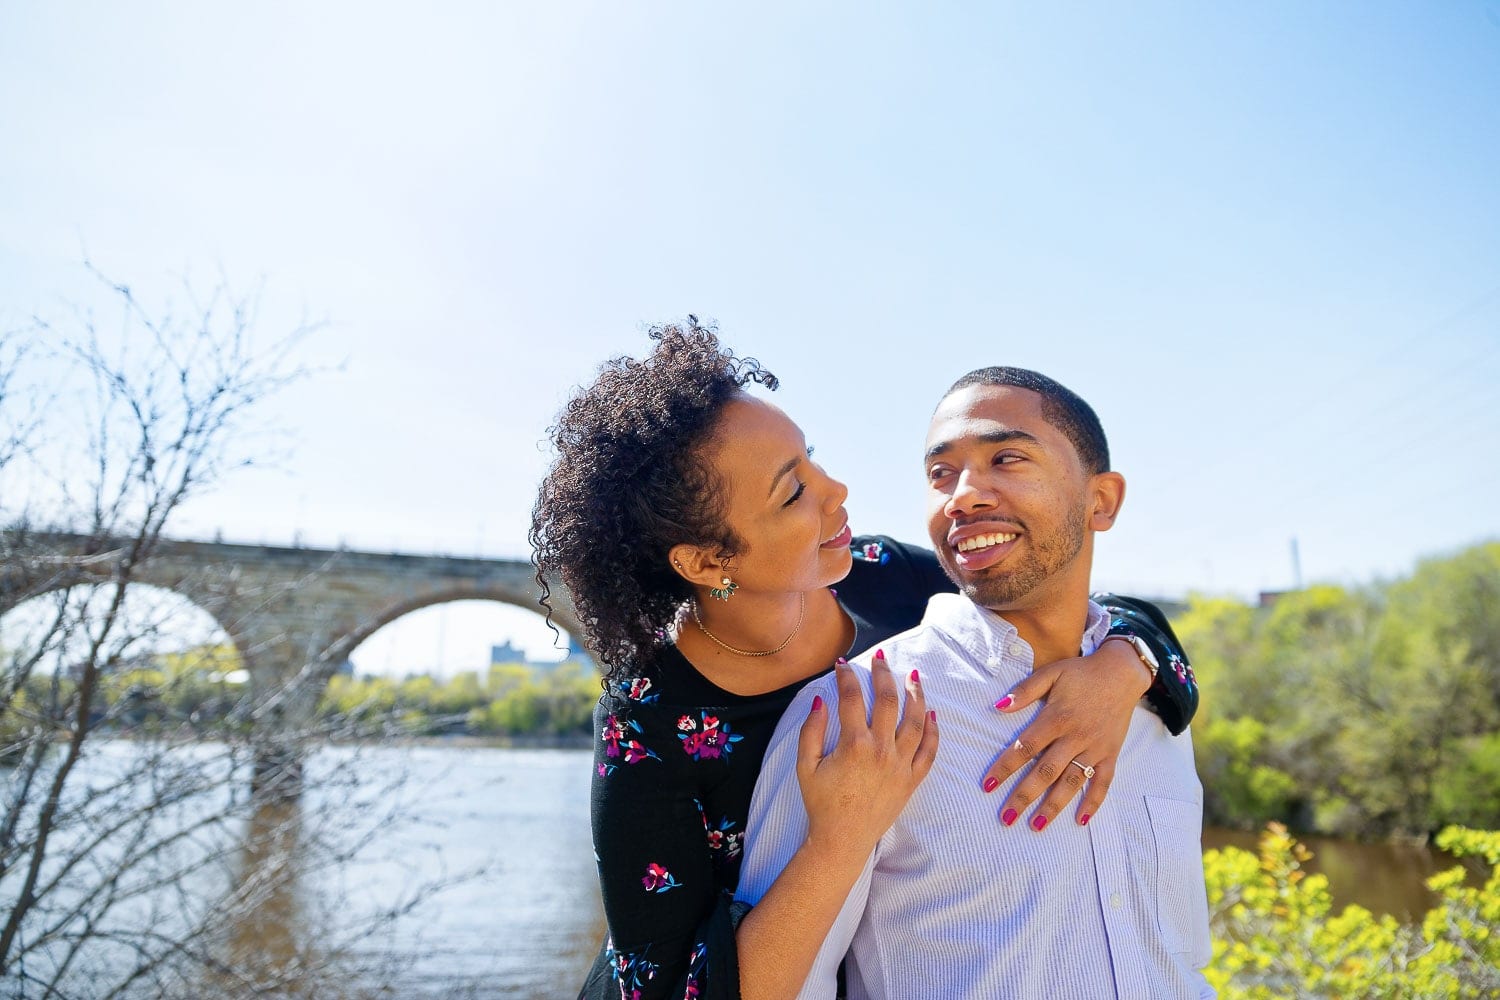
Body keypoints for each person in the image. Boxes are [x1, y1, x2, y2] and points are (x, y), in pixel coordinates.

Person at [528, 323, 1199, 1000]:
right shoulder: (646, 723)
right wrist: (844, 833)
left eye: (812, 459)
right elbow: (659, 980)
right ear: (709, 562)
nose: (838, 490)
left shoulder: (883, 574)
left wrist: (1124, 664)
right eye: (792, 493)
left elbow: (1059, 589)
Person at [735, 366, 1213, 999]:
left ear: (1102, 501)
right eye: (940, 474)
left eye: (1007, 458)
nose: (962, 495)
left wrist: (1133, 665)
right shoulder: (859, 715)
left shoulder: (1151, 700)